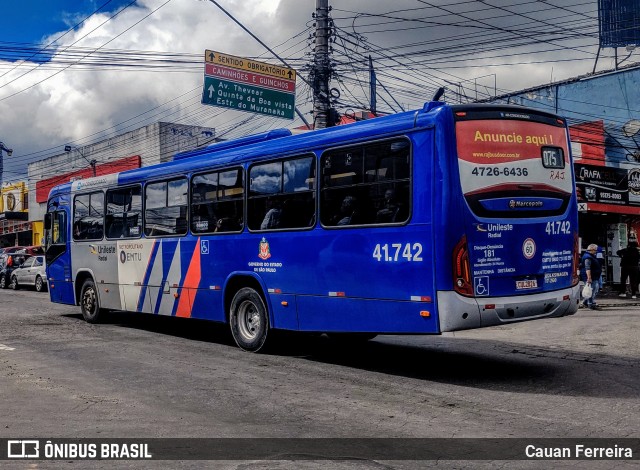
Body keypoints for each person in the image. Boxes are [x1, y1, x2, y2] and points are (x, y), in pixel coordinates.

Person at [580, 244, 603, 310]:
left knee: (592, 289)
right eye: (595, 250)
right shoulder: (588, 257)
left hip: (594, 276)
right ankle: (590, 304)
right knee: (591, 290)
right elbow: (587, 268)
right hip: (591, 276)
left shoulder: (590, 256)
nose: (596, 251)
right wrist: (589, 277)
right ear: (592, 250)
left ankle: (585, 302)